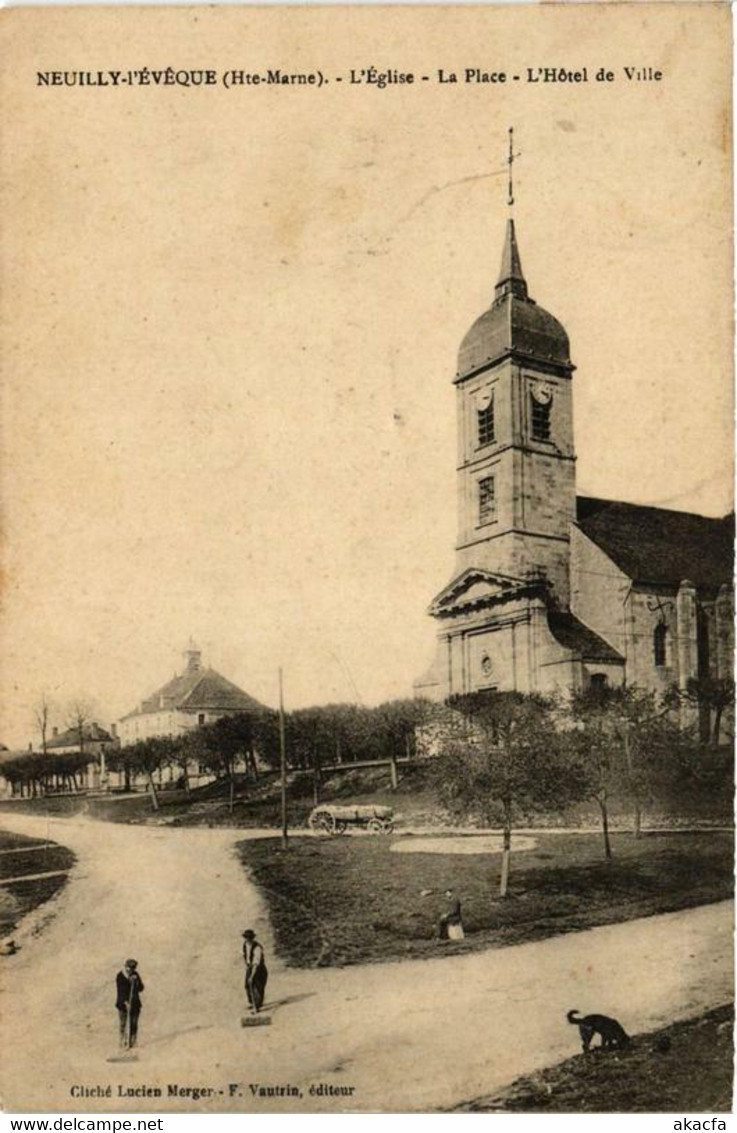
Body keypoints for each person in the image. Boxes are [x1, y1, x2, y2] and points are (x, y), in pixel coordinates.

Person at [115, 958, 145, 1048]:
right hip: (123, 1005)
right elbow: (121, 991)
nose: (130, 971)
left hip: (135, 1004)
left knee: (134, 1023)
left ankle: (133, 1042)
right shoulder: (120, 976)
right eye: (128, 968)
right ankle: (123, 1042)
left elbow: (141, 988)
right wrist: (125, 1002)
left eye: (132, 969)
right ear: (125, 967)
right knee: (124, 1023)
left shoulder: (135, 975)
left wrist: (136, 982)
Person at [242, 929, 268, 1013]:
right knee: (247, 985)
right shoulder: (245, 945)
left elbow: (256, 964)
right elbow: (245, 956)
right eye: (246, 938)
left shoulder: (257, 948)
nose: (247, 940)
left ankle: (257, 1006)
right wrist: (247, 966)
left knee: (257, 987)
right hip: (250, 967)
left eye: (249, 938)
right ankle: (252, 1003)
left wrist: (252, 976)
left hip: (259, 969)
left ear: (252, 938)